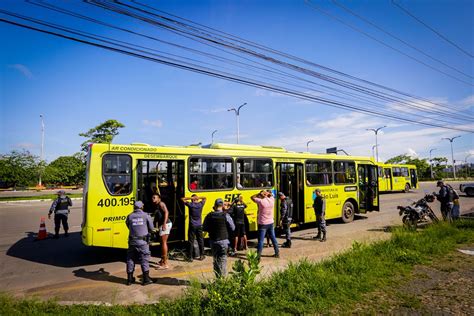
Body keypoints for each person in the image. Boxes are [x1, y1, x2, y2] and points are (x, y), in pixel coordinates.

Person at [203, 198, 235, 277]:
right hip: (223, 241)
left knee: (216, 260)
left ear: (214, 205)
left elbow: (204, 228)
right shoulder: (225, 215)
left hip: (213, 241)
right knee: (223, 260)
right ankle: (222, 281)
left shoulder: (209, 215)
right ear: (222, 206)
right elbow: (233, 227)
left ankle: (218, 279)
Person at [125, 201, 154, 286]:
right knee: (144, 259)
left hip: (132, 241)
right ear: (142, 207)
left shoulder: (130, 216)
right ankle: (146, 279)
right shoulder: (146, 216)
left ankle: (129, 279)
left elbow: (128, 225)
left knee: (130, 259)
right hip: (143, 242)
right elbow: (151, 228)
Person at [251, 190, 279, 260]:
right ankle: (277, 253)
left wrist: (259, 193)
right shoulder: (272, 200)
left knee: (261, 241)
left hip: (263, 223)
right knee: (273, 238)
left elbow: (252, 197)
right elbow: (272, 194)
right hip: (271, 222)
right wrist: (267, 193)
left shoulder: (261, 201)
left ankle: (258, 256)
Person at [181, 194, 207, 261]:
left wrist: (191, 198)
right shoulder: (200, 204)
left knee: (191, 241)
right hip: (199, 225)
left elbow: (182, 199)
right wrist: (197, 197)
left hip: (192, 225)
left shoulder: (191, 205)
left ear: (192, 199)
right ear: (197, 199)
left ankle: (190, 257)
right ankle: (202, 255)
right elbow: (205, 198)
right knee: (200, 240)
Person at [151, 193, 172, 269]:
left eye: (154, 197)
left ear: (159, 198)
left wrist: (164, 224)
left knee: (163, 243)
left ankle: (165, 264)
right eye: (152, 198)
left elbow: (166, 212)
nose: (153, 199)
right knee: (161, 243)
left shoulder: (161, 203)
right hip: (162, 225)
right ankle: (162, 260)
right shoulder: (156, 205)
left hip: (166, 224)